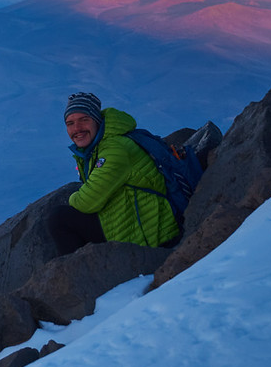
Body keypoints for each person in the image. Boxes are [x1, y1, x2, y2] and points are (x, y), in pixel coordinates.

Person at [48, 92, 180, 254]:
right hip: (132, 222)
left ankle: (85, 275)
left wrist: (72, 198)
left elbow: (87, 202)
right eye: (70, 123)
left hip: (149, 236)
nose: (77, 128)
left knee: (59, 218)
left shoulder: (114, 149)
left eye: (84, 120)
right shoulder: (96, 149)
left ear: (97, 121)